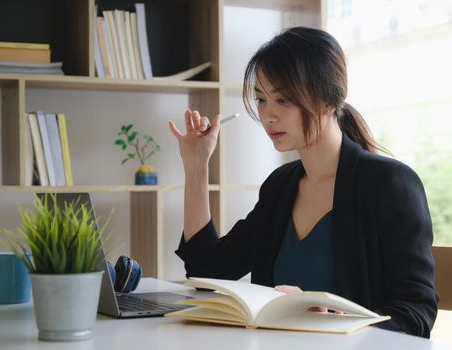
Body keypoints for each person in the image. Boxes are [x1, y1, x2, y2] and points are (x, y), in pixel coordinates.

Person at [168, 27, 437, 338]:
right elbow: (207, 271)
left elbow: (417, 314)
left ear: (327, 101)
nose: (267, 115)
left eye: (282, 99)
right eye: (261, 99)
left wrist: (335, 319)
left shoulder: (389, 184)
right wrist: (197, 166)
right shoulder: (280, 187)